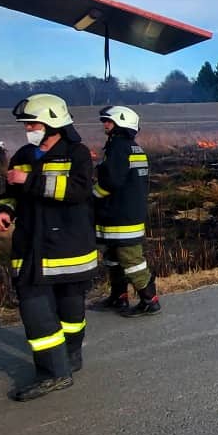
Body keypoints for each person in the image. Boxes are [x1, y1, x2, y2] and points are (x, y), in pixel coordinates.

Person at [0, 93, 99, 401]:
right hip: (32, 248)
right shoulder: (23, 155)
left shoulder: (76, 154)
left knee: (71, 311)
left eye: (33, 124)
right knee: (35, 310)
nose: (29, 129)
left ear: (53, 123)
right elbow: (11, 192)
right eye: (27, 125)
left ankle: (68, 359)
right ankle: (55, 371)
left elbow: (79, 190)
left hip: (69, 247)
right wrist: (4, 209)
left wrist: (29, 180)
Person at [91, 105, 161, 317]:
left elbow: (111, 181)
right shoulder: (132, 147)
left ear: (121, 123)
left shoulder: (118, 148)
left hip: (120, 215)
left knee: (130, 259)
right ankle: (118, 296)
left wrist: (91, 195)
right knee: (113, 256)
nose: (105, 125)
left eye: (109, 121)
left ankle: (149, 300)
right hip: (123, 212)